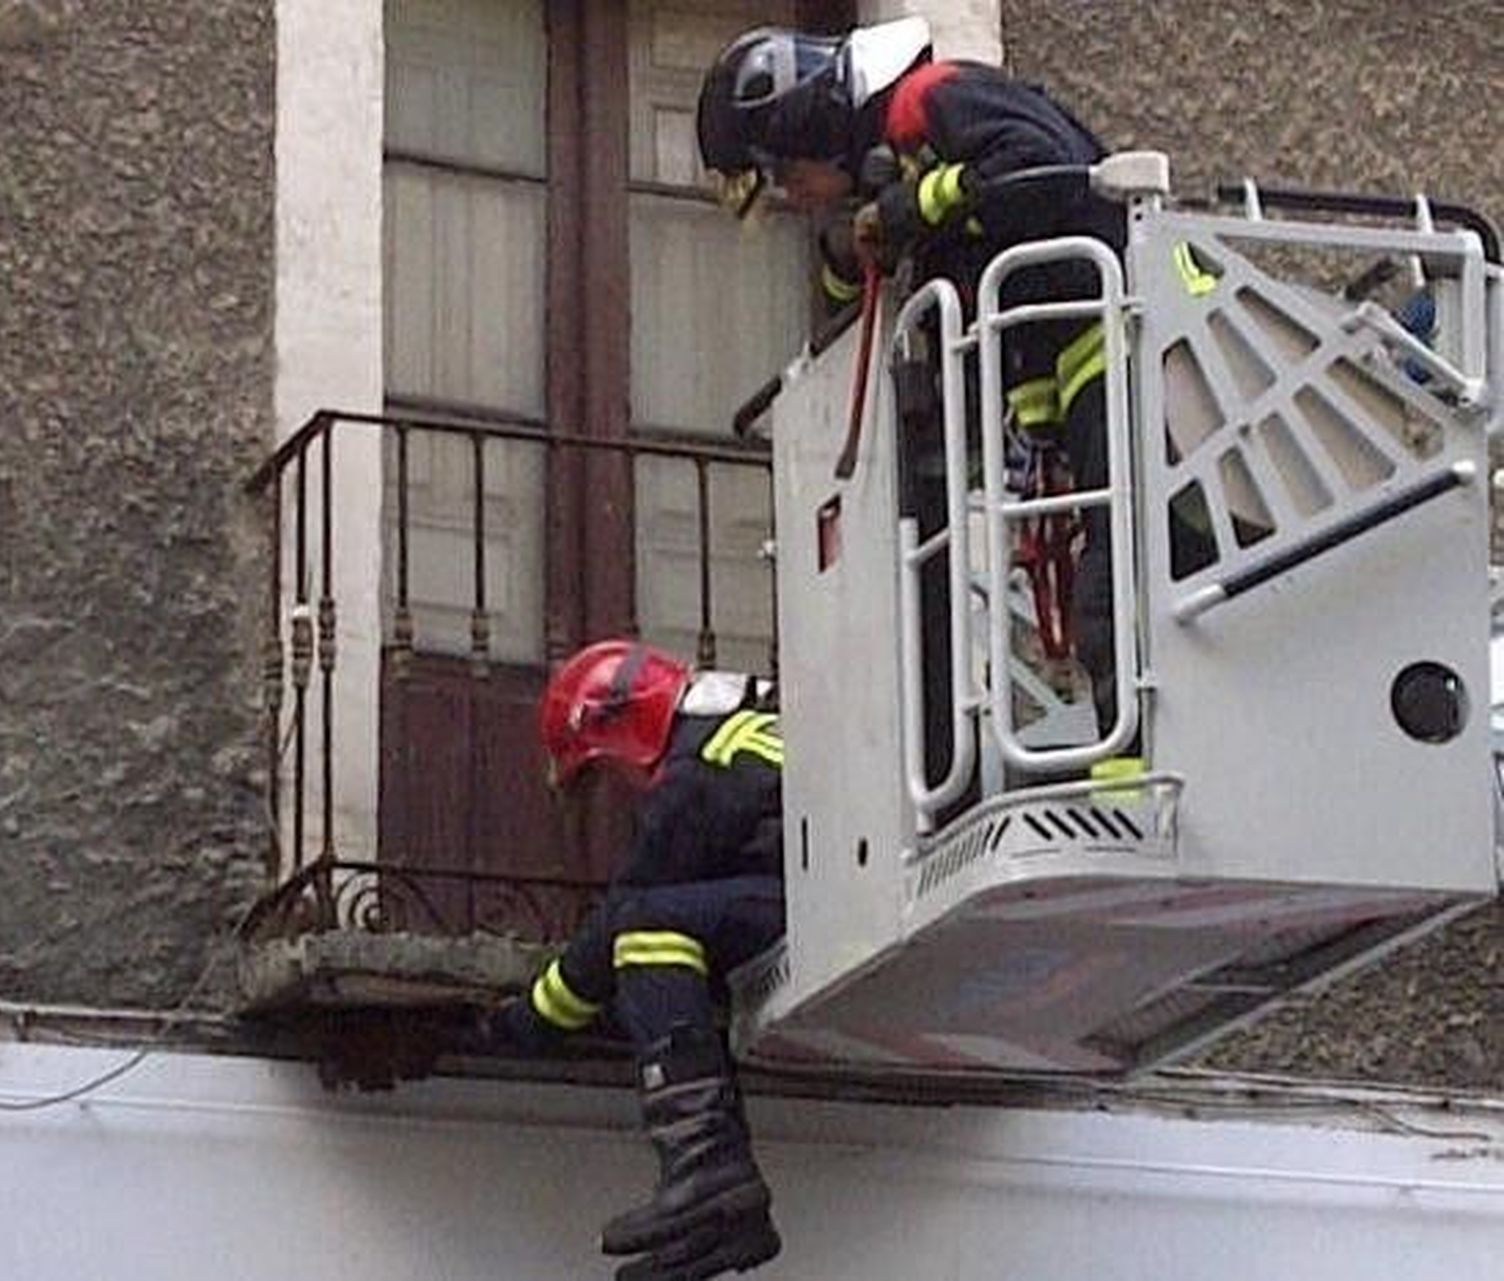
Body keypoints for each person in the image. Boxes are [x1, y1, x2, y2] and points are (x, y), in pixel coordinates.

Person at [697, 16, 1131, 742]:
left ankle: (1132, 785)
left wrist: (913, 206)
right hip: (1076, 363)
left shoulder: (934, 98)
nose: (793, 196)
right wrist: (858, 244)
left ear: (813, 127)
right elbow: (867, 294)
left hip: (1122, 340)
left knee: (1121, 585)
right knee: (1103, 586)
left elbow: (1046, 166)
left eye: (784, 173)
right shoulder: (899, 162)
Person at [483, 638, 786, 1281]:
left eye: (603, 770)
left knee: (649, 930)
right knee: (662, 931)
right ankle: (730, 1215)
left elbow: (629, 911)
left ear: (626, 734)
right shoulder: (736, 735)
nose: (616, 794)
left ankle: (705, 1164)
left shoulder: (704, 766)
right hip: (808, 893)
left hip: (808, 903)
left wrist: (526, 1022)